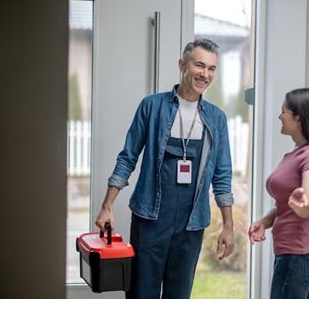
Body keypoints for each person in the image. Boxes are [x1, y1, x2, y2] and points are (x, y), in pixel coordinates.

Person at [95, 38, 235, 299]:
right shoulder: (152, 106)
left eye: (212, 68)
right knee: (141, 295)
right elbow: (128, 157)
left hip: (191, 225)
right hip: (150, 219)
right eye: (200, 65)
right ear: (182, 65)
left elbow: (222, 175)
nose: (205, 74)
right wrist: (107, 205)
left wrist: (228, 225)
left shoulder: (216, 119)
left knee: (178, 298)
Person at [248, 87, 309, 299]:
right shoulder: (295, 154)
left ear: (299, 118)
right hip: (291, 253)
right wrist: (264, 221)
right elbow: (286, 205)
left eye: (284, 111)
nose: (280, 116)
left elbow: (305, 203)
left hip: (300, 253)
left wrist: (303, 203)